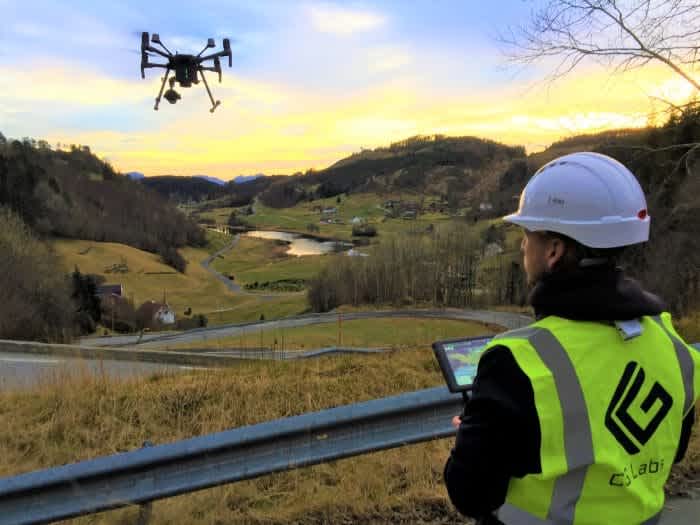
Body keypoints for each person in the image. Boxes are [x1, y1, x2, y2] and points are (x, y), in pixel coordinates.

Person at [443, 152, 699, 524]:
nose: (522, 246)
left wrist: (472, 440)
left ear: (554, 251)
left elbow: (471, 494)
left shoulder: (517, 362)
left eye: (527, 235)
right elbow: (669, 449)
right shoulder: (672, 344)